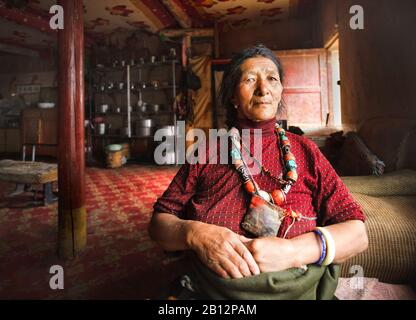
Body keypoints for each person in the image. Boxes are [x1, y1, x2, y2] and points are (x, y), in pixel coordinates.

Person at [148, 44, 368, 299]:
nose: (263, 89)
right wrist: (194, 233)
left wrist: (295, 251)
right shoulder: (208, 151)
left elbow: (357, 233)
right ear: (232, 96)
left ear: (280, 90)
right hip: (213, 294)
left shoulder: (306, 151)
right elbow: (159, 224)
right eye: (250, 79)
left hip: (297, 290)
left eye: (272, 79)